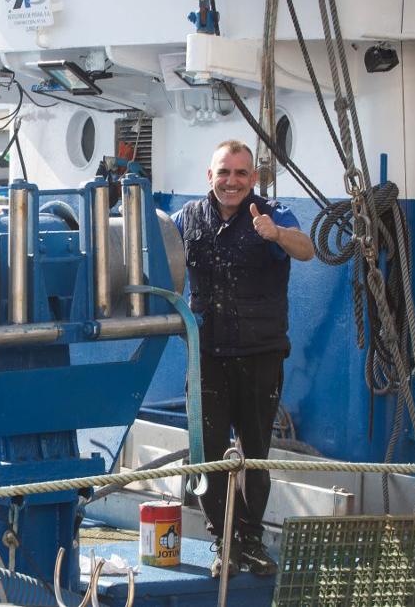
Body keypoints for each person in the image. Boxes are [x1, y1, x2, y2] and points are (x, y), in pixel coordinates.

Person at [173, 140, 314, 578]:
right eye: (223, 172)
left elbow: (306, 248)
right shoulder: (187, 219)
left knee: (255, 453)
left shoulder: (272, 215)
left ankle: (251, 542)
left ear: (253, 178)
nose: (230, 181)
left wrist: (276, 235)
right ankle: (224, 543)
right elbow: (151, 251)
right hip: (207, 358)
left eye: (240, 173)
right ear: (209, 176)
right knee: (208, 454)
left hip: (259, 355)